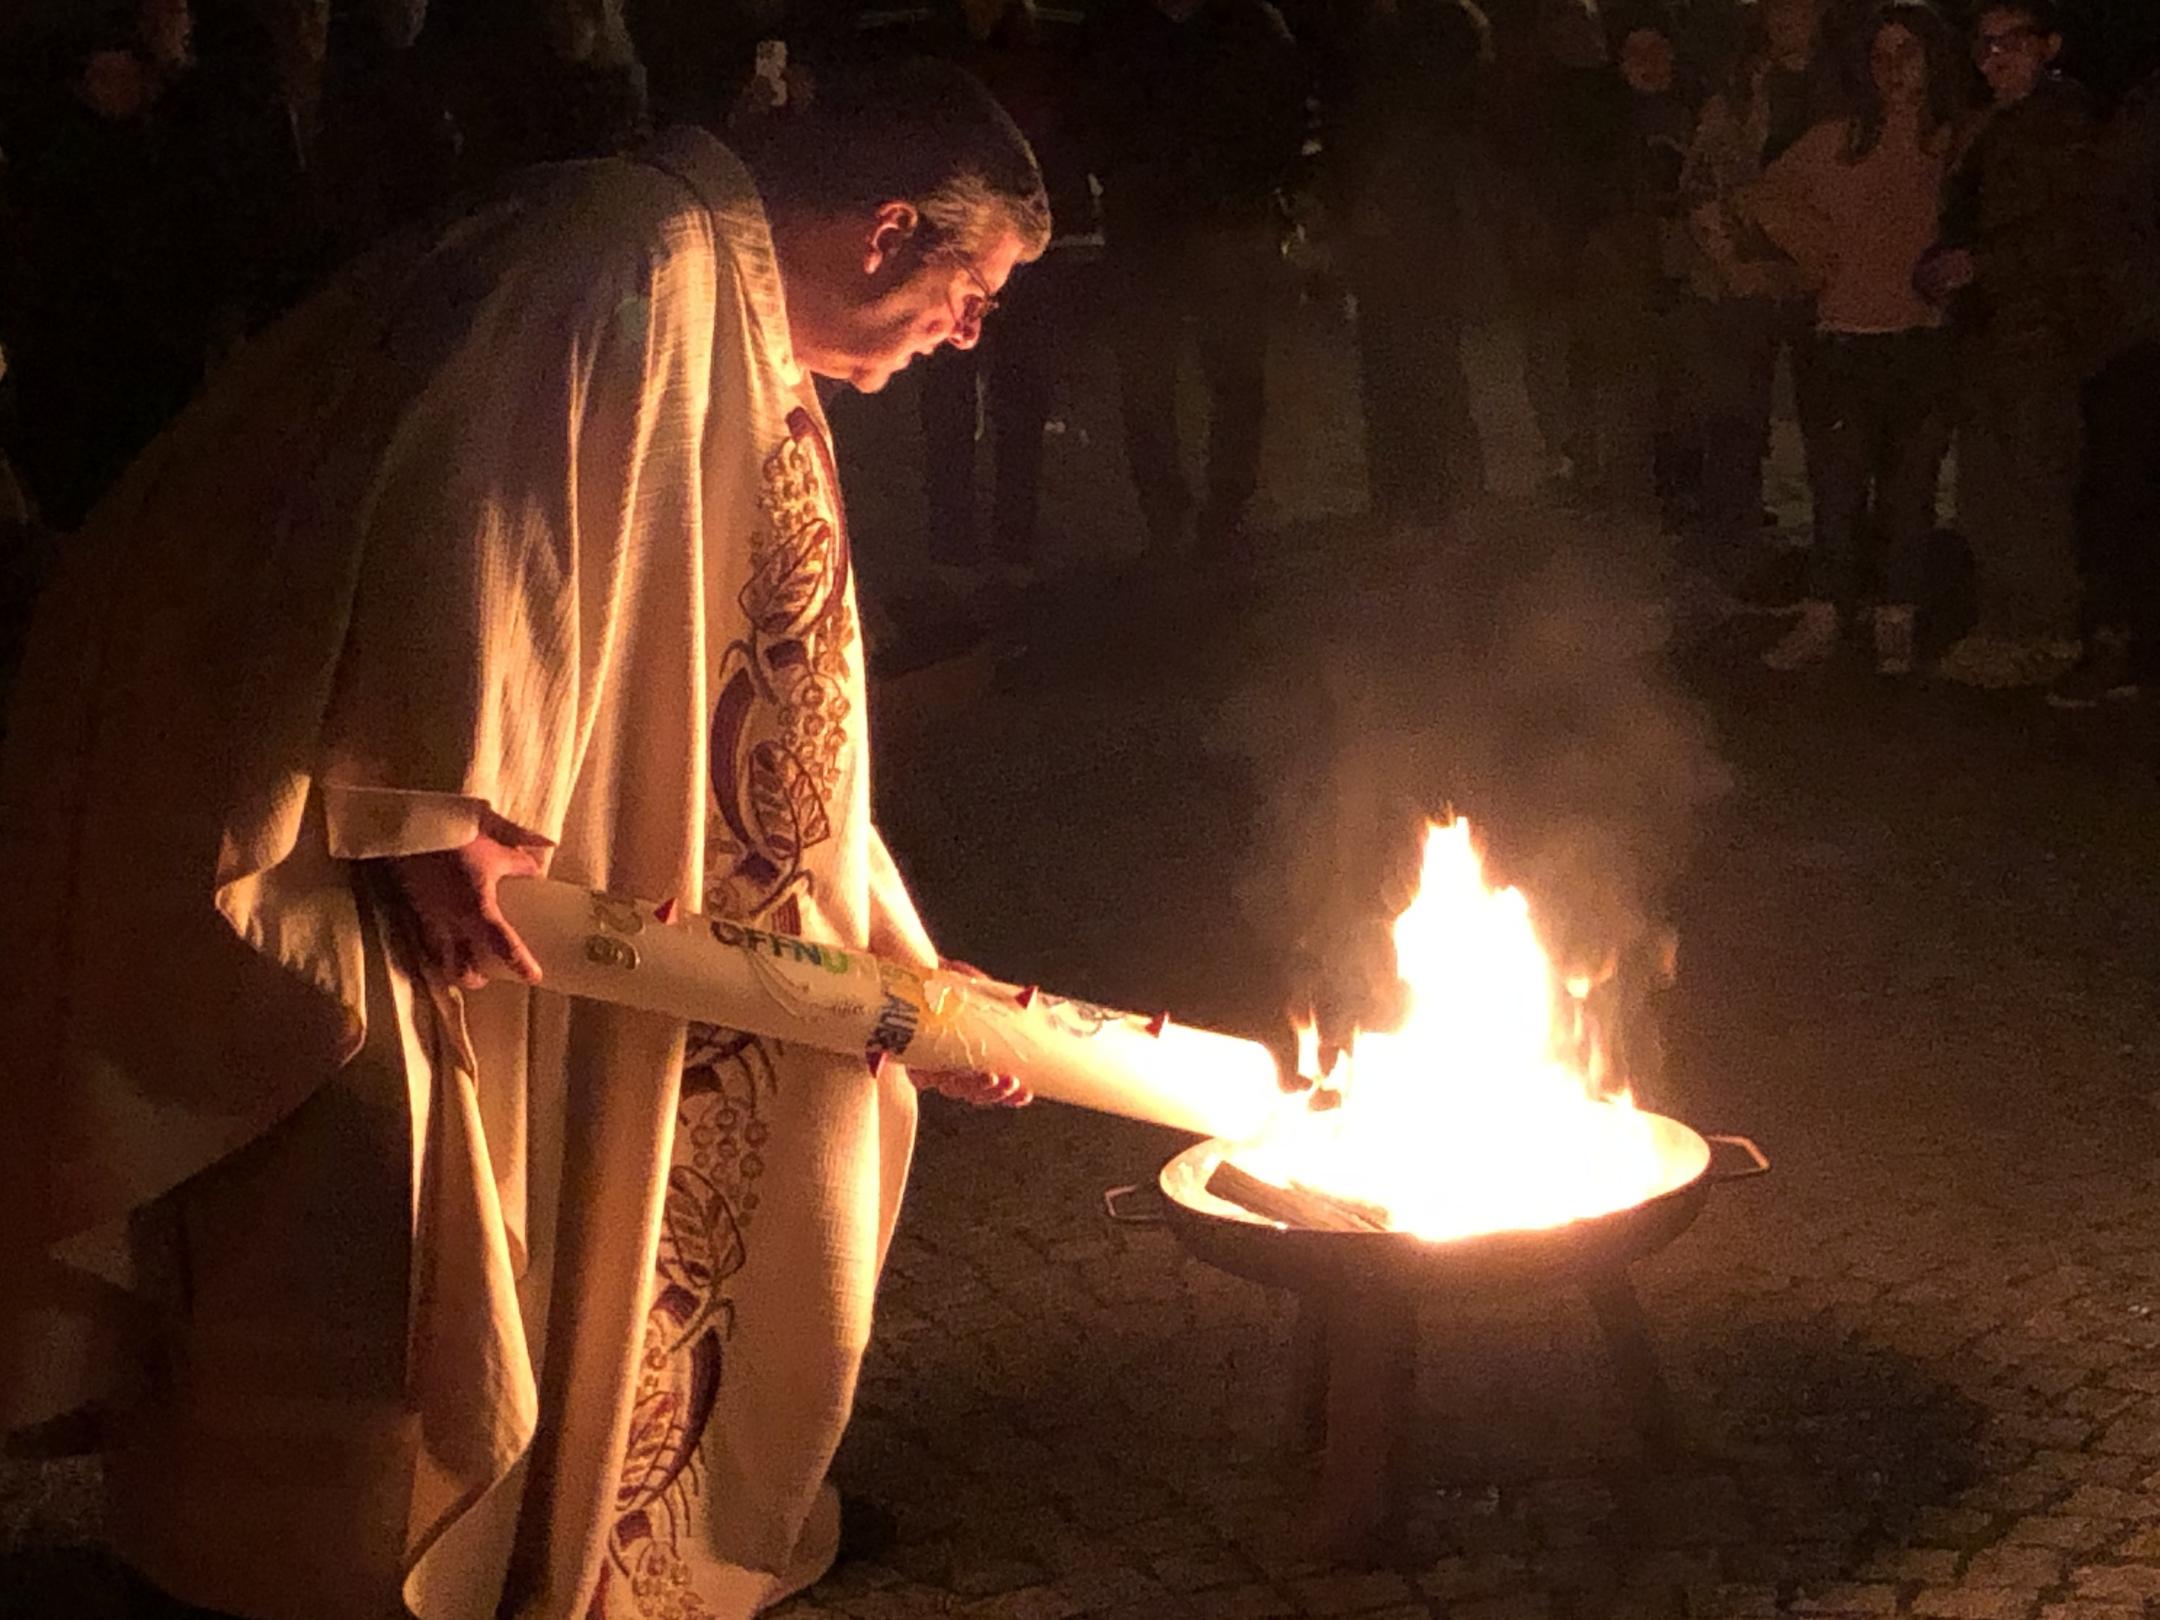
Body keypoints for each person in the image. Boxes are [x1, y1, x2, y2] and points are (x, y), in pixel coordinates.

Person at [0, 58, 1046, 1620]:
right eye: (976, 290)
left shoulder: (719, 309)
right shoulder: (635, 261)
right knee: (390, 1250)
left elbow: (754, 721)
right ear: (889, 230)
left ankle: (604, 1527)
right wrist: (444, 804)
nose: (972, 335)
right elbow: (478, 511)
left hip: (572, 884)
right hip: (433, 876)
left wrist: (896, 964)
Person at [1747, 0, 1961, 675]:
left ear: (1932, 59)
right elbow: (1760, 196)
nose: (1894, 68)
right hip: (1842, 343)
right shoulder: (1836, 139)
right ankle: (1825, 614)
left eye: (1909, 53)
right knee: (1836, 493)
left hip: (1922, 346)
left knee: (1908, 493)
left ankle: (1895, 617)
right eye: (1881, 55)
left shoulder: (1952, 144)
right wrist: (1806, 254)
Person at [1921, 0, 2108, 687]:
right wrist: (1939, 266)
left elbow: (2072, 231)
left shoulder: (2066, 124)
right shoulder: (1989, 126)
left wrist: (1983, 264)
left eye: (2012, 43)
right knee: (1988, 487)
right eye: (1986, 47)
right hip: (1986, 329)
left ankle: (2045, 633)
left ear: (2048, 45)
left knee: (2032, 484)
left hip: (2038, 330)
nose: (1996, 58)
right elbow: (1964, 218)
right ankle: (2002, 623)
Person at [1086, 0, 1308, 563]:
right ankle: (1168, 513)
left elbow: (1282, 116)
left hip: (1223, 222)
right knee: (1147, 378)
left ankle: (1225, 510)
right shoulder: (1120, 26)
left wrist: (1252, 190)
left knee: (1232, 374)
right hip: (1149, 226)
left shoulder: (1248, 23)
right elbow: (1091, 117)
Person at [914, 0, 1097, 584]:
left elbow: (1068, 141)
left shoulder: (1047, 47)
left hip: (1025, 256)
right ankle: (950, 542)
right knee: (944, 394)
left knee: (1021, 397)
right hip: (948, 250)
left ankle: (1015, 541)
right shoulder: (937, 45)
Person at [1677, 0, 1831, 578]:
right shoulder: (1740, 93)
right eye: (1779, 9)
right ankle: (1731, 543)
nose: (1790, 18)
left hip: (1824, 278)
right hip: (1747, 278)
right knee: (1736, 416)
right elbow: (1700, 182)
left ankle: (1838, 543)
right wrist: (1730, 261)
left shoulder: (1849, 91)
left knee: (1830, 420)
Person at [1333, 0, 1491, 530]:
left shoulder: (1446, 25)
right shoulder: (1370, 26)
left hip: (1427, 215)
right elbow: (1348, 121)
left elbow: (1447, 120)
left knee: (1428, 352)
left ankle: (1444, 484)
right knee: (1388, 356)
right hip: (1386, 218)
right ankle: (1405, 488)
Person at [2052, 63, 2160, 706]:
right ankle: (2117, 643)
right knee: (2119, 494)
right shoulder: (2141, 111)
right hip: (2135, 335)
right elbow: (2097, 201)